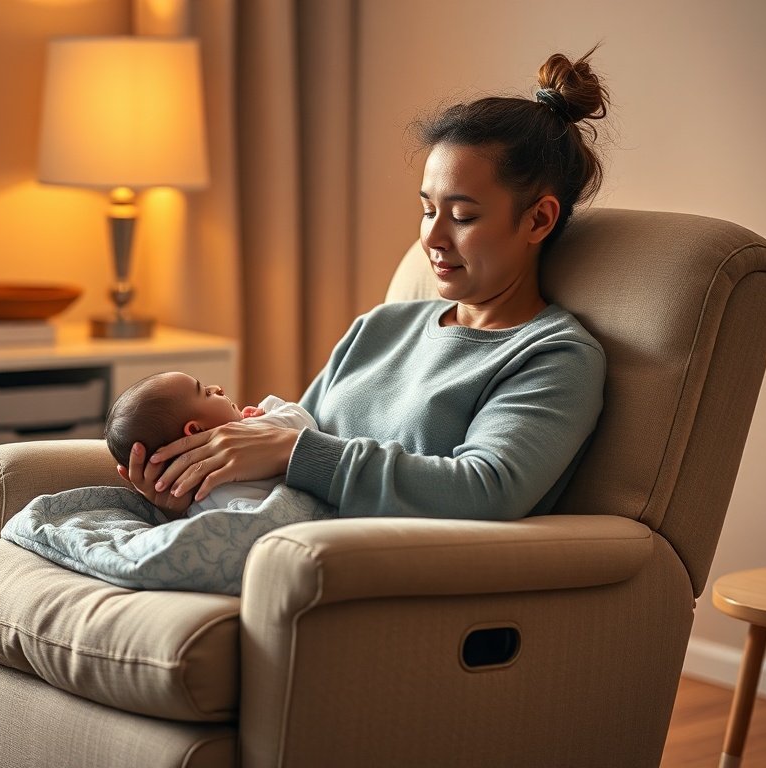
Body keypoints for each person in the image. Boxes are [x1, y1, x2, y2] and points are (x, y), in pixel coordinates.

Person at [124, 48, 610, 523]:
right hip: (287, 552)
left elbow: (487, 489)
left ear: (539, 220)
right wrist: (189, 494)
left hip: (374, 574)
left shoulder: (553, 356)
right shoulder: (380, 326)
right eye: (427, 210)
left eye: (463, 216)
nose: (433, 237)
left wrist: (294, 451)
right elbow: (291, 444)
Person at [107, 371, 316, 518]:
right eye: (206, 392)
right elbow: (306, 424)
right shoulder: (261, 427)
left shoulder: (200, 502)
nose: (218, 388)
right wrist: (267, 416)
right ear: (196, 430)